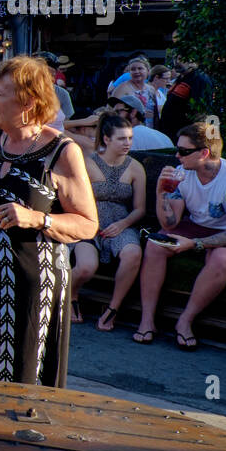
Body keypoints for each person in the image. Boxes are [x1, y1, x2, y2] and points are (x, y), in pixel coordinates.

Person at [0, 55, 99, 387]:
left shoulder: (61, 150)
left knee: (22, 372)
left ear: (28, 102)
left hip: (34, 280)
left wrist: (37, 218)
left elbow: (88, 224)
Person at [134, 119, 226, 350]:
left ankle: (185, 321)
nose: (177, 156)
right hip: (199, 226)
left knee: (220, 258)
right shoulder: (183, 174)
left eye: (183, 151)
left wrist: (194, 244)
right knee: (155, 244)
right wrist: (161, 192)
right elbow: (170, 224)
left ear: (204, 153)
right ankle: (147, 320)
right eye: (177, 149)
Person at [69, 113, 145, 331]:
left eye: (130, 138)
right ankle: (70, 295)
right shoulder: (88, 163)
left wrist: (122, 224)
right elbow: (75, 199)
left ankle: (113, 308)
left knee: (132, 253)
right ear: (106, 139)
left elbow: (140, 208)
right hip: (89, 223)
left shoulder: (135, 167)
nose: (127, 143)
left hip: (121, 223)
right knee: (85, 267)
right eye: (121, 139)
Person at [157, 57, 213, 139]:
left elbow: (201, 112)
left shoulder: (199, 79)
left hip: (183, 134)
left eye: (180, 59)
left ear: (193, 61)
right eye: (175, 58)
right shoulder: (181, 78)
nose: (176, 62)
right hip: (171, 133)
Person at [111, 56, 157, 127]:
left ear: (148, 70)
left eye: (140, 68)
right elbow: (110, 110)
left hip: (149, 128)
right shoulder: (122, 88)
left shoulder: (151, 89)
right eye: (133, 69)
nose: (136, 72)